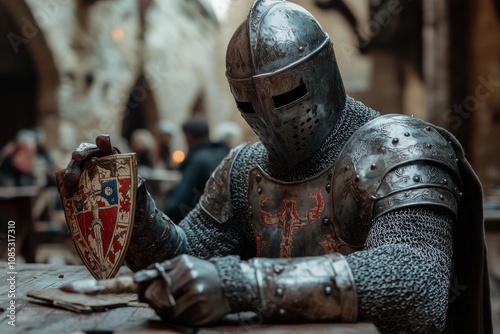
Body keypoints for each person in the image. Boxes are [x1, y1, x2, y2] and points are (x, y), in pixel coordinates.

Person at [61, 0, 491, 332]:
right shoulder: (244, 168)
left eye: (287, 95)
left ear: (323, 73)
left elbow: (415, 283)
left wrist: (242, 285)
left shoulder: (401, 148)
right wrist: (127, 209)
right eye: (249, 103)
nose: (270, 117)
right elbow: (187, 261)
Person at [164, 117, 230, 223]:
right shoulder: (225, 154)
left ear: (189, 137)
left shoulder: (199, 160)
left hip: (201, 225)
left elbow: (180, 202)